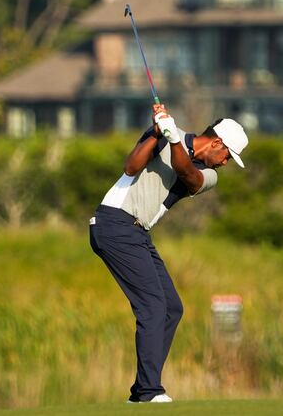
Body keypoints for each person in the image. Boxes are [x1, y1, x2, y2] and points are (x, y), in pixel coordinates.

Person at [89, 104, 248, 403]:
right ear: (216, 143)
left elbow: (186, 173)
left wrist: (173, 138)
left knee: (171, 308)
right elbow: (131, 167)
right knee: (152, 306)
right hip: (114, 224)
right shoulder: (163, 135)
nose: (225, 163)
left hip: (137, 233)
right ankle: (150, 391)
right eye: (227, 155)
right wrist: (155, 132)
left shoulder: (207, 176)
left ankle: (140, 391)